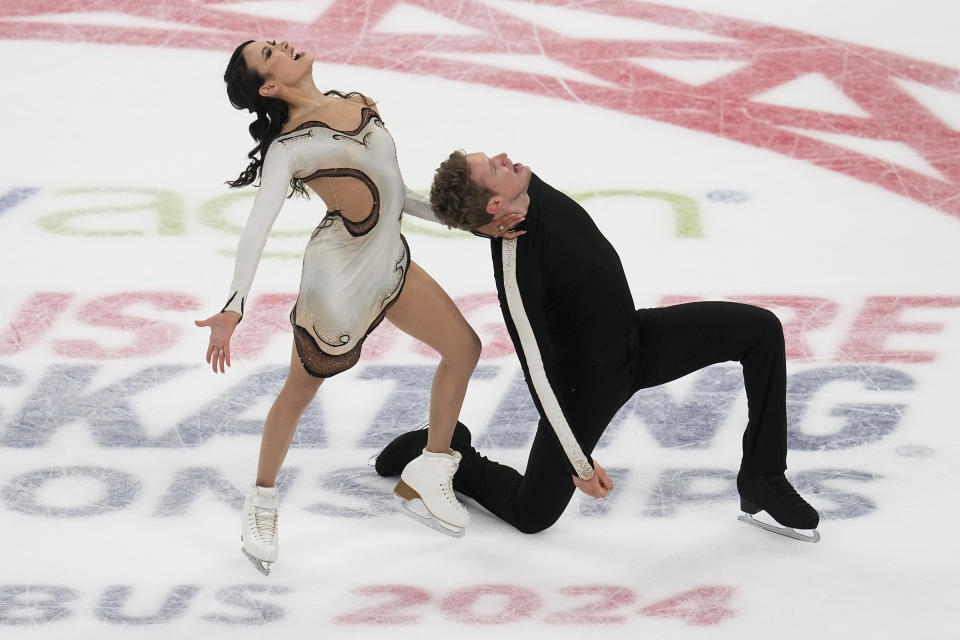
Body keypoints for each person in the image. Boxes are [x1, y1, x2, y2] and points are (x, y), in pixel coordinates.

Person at [374, 150, 820, 543]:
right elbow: (538, 372)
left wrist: (380, 180)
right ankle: (452, 452)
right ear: (496, 204)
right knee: (533, 515)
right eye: (494, 166)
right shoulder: (516, 264)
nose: (505, 156)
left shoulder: (514, 197)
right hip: (583, 387)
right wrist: (579, 463)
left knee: (760, 331)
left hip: (640, 341)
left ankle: (763, 476)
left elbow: (448, 208)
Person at [196, 42, 513, 573]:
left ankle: (431, 472)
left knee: (464, 347)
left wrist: (468, 220)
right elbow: (257, 227)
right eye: (271, 54)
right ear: (268, 87)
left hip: (387, 259)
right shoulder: (290, 149)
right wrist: (233, 306)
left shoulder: (359, 102)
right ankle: (262, 501)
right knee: (299, 391)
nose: (286, 46)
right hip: (337, 279)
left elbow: (395, 193)